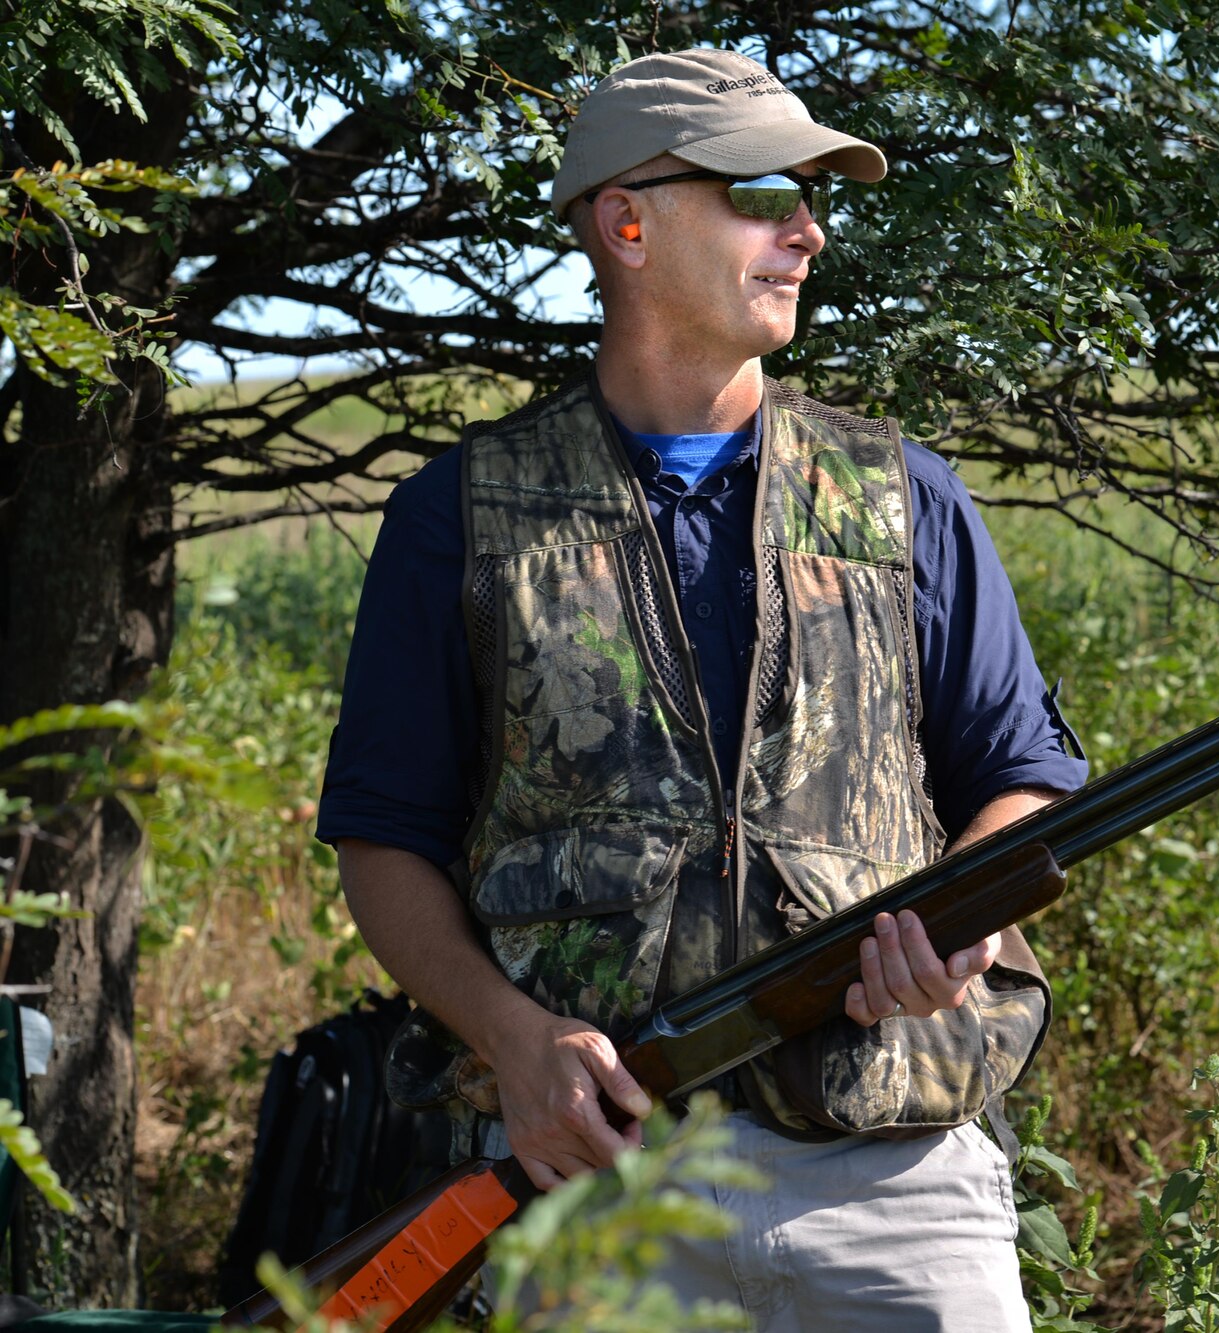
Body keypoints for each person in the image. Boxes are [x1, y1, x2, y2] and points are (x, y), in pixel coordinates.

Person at [314, 46, 1088, 1330]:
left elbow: (1022, 777)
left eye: (810, 196)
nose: (806, 228)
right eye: (760, 190)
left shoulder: (903, 496)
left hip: (895, 1180)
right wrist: (511, 1038)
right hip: (601, 1187)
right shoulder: (460, 517)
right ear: (626, 222)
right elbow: (383, 841)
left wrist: (955, 918)